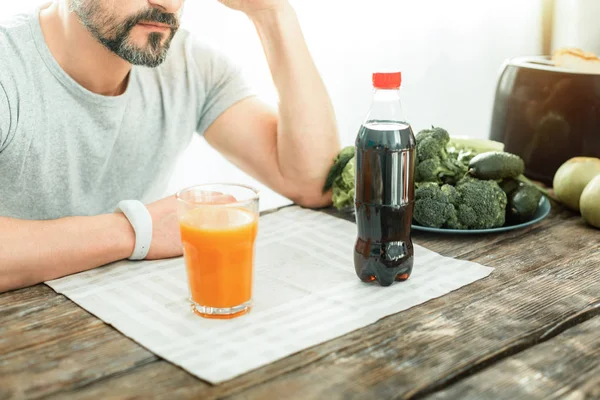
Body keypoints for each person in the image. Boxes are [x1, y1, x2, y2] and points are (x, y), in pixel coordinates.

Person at [0, 0, 340, 292]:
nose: (167, 2)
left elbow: (311, 181)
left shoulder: (190, 66)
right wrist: (136, 229)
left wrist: (271, 12)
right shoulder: (9, 70)